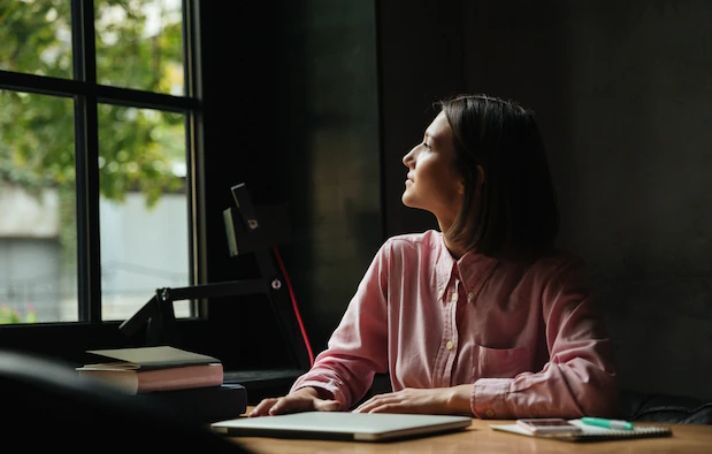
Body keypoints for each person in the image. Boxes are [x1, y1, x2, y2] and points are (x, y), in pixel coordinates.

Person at [252, 94, 617, 418]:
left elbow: (591, 384)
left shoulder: (552, 276)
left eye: (427, 145)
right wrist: (312, 393)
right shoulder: (398, 259)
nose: (408, 157)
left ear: (471, 178)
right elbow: (346, 360)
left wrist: (448, 399)